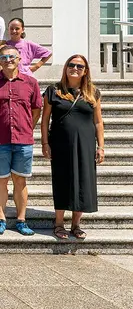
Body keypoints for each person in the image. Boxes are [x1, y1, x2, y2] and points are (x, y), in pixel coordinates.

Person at [41, 55, 104, 241]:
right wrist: (45, 143)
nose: (75, 68)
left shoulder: (93, 92)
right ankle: (59, 223)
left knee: (84, 181)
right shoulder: (54, 90)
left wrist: (101, 146)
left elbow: (98, 122)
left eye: (79, 66)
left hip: (86, 144)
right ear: (66, 67)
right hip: (61, 143)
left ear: (85, 71)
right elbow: (45, 120)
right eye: (71, 65)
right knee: (62, 180)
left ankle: (76, 224)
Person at [0, 44, 43, 236]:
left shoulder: (31, 83)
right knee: (0, 181)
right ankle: (1, 218)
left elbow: (36, 110)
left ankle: (21, 219)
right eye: (4, 57)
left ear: (19, 59)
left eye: (12, 57)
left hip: (23, 140)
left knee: (20, 181)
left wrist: (26, 127)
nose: (8, 60)